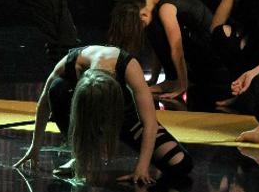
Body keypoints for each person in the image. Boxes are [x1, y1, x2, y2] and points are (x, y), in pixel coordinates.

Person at [14, 45, 192, 184]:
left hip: (126, 119)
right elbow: (44, 103)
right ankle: (80, 156)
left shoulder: (128, 66)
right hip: (88, 119)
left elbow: (150, 122)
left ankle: (93, 147)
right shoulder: (70, 63)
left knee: (180, 164)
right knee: (57, 89)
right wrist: (34, 148)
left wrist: (142, 166)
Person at [108, 0, 225, 99]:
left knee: (161, 33)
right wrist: (153, 79)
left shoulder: (165, 9)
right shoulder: (152, 3)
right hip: (197, 48)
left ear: (143, 15)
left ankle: (176, 81)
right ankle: (172, 80)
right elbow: (158, 47)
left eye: (140, 25)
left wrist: (182, 85)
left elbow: (177, 48)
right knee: (155, 30)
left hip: (212, 52)